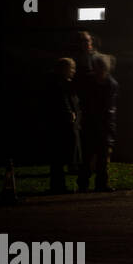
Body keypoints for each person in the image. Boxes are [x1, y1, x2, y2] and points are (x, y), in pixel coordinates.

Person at [78, 54, 118, 193]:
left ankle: (95, 184)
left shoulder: (108, 84)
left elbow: (108, 109)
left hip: (100, 125)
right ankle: (87, 184)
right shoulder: (106, 84)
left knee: (99, 159)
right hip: (94, 125)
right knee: (89, 158)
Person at [47, 58, 81, 193]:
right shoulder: (60, 84)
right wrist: (70, 114)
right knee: (59, 156)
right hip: (63, 125)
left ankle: (57, 185)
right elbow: (63, 101)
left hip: (61, 124)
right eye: (71, 68)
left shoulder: (59, 83)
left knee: (58, 158)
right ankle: (58, 186)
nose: (73, 71)